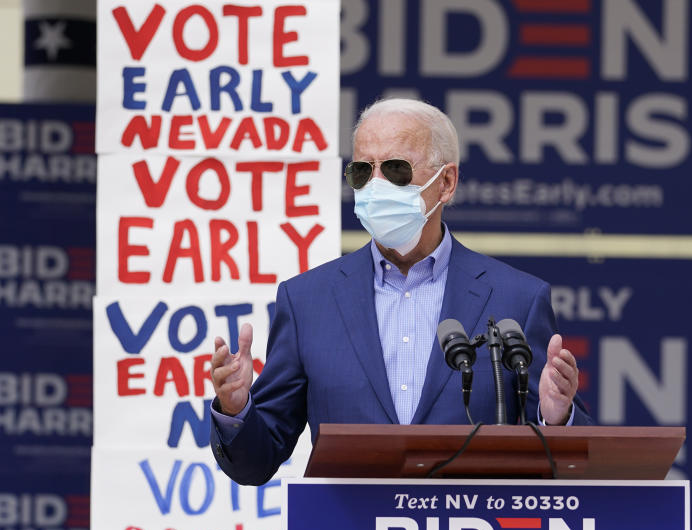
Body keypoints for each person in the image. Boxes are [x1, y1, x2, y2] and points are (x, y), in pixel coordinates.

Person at [209, 98, 592, 485]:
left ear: (446, 182)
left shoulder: (517, 299)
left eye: (395, 169)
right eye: (362, 171)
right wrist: (238, 410)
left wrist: (556, 417)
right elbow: (255, 463)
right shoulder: (308, 301)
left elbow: (562, 463)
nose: (375, 186)